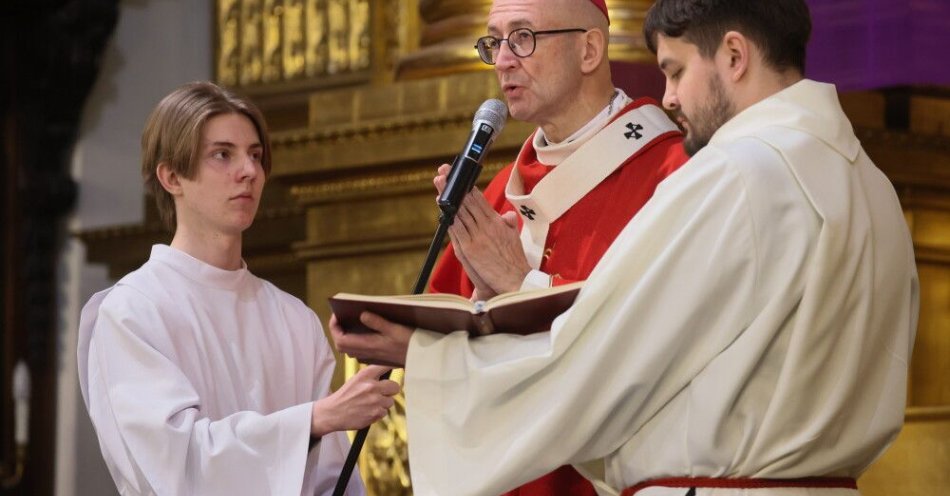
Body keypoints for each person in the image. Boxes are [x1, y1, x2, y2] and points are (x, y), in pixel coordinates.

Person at [331, 0, 920, 495]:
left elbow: (607, 362)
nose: (665, 97)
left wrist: (433, 354)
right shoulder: (871, 185)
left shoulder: (732, 175)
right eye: (494, 42)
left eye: (675, 70)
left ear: (735, 57)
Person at [77, 81, 400, 495]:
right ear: (172, 176)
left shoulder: (293, 318)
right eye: (222, 155)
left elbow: (327, 478)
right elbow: (177, 465)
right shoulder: (133, 310)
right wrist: (315, 419)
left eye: (256, 156)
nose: (248, 171)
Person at [430, 1, 688, 492]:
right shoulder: (497, 193)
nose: (503, 59)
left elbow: (658, 346)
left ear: (589, 49)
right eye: (493, 41)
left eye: (523, 37)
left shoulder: (673, 175)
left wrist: (517, 285)